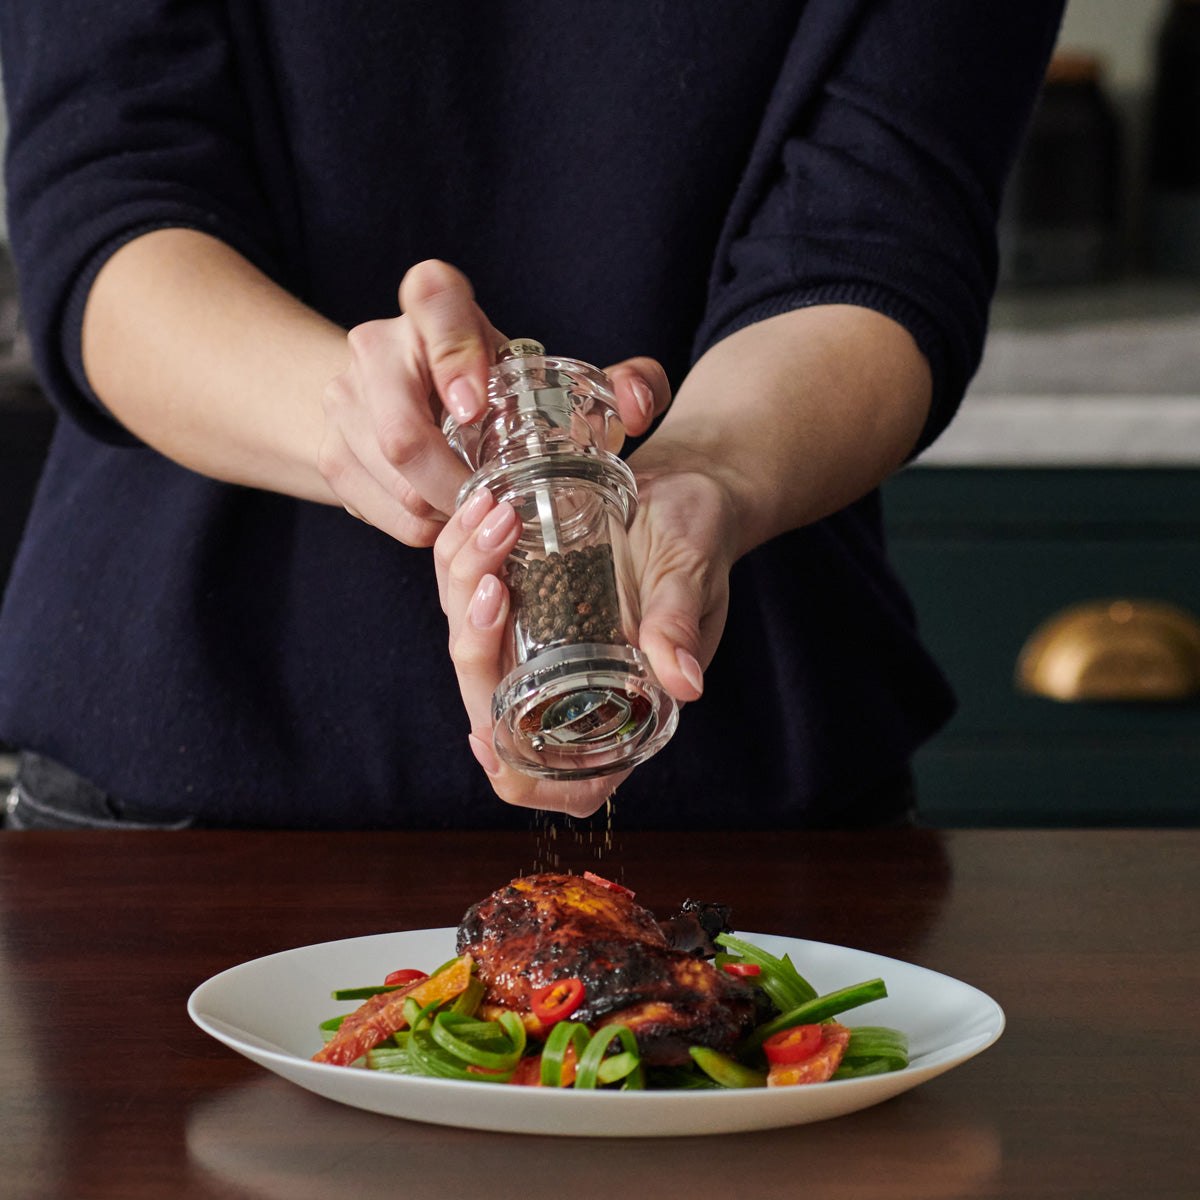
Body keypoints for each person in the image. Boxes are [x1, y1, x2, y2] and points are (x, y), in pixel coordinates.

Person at [0, 2, 1065, 831]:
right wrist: (353, 418)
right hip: (176, 782)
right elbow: (107, 198)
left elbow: (880, 241)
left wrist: (711, 479)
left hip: (748, 793)